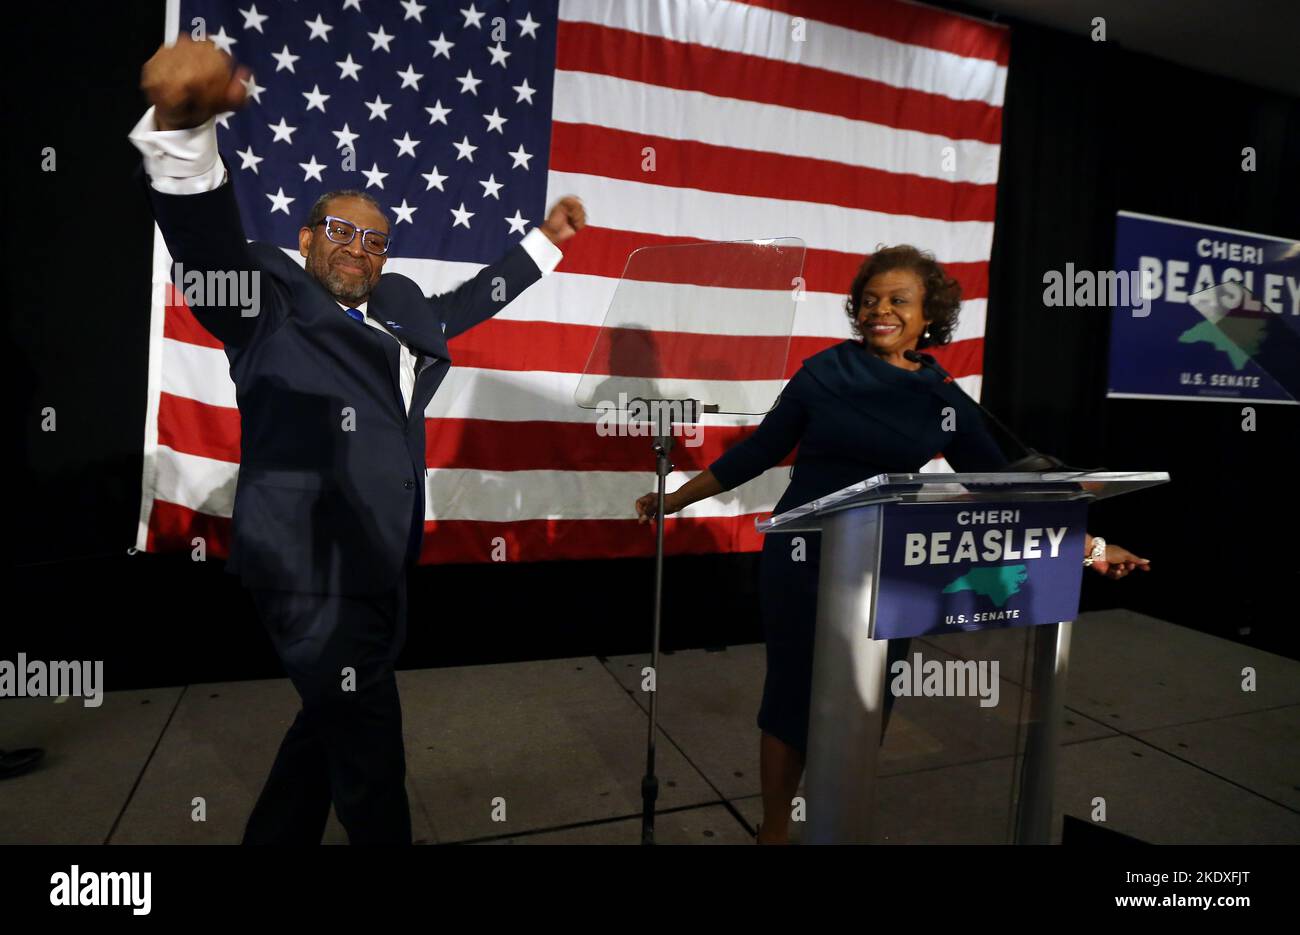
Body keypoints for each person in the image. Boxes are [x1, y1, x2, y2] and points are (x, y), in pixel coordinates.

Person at [130, 36, 587, 844]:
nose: (359, 247)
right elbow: (204, 254)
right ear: (307, 239)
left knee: (328, 722)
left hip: (384, 562)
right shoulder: (269, 292)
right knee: (372, 755)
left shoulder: (403, 305)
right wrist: (184, 134)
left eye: (376, 239)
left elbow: (470, 301)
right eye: (341, 229)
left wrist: (546, 241)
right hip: (309, 564)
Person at [635, 245, 1149, 844]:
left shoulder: (942, 396)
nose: (881, 310)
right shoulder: (823, 372)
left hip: (888, 569)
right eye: (871, 300)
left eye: (898, 300)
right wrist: (677, 496)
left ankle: (838, 813)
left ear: (929, 315)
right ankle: (775, 828)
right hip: (805, 561)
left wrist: (1089, 545)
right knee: (791, 694)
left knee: (869, 695)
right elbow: (761, 450)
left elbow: (997, 485)